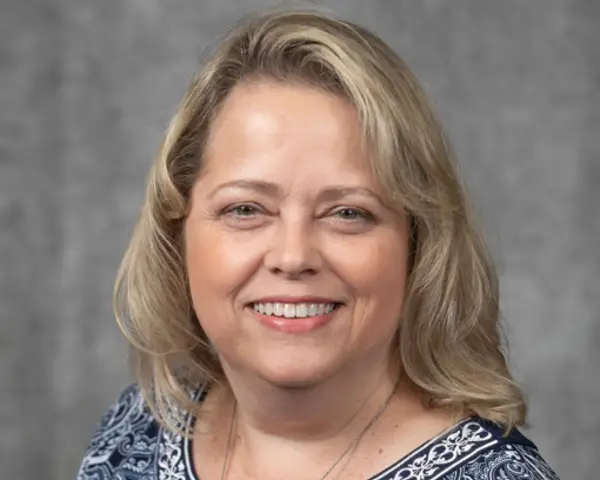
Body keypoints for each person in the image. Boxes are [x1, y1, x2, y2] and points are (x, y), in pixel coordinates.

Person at [77, 7, 560, 480]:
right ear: (177, 228)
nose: (293, 257)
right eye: (246, 209)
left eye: (348, 213)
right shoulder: (139, 430)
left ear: (418, 242)